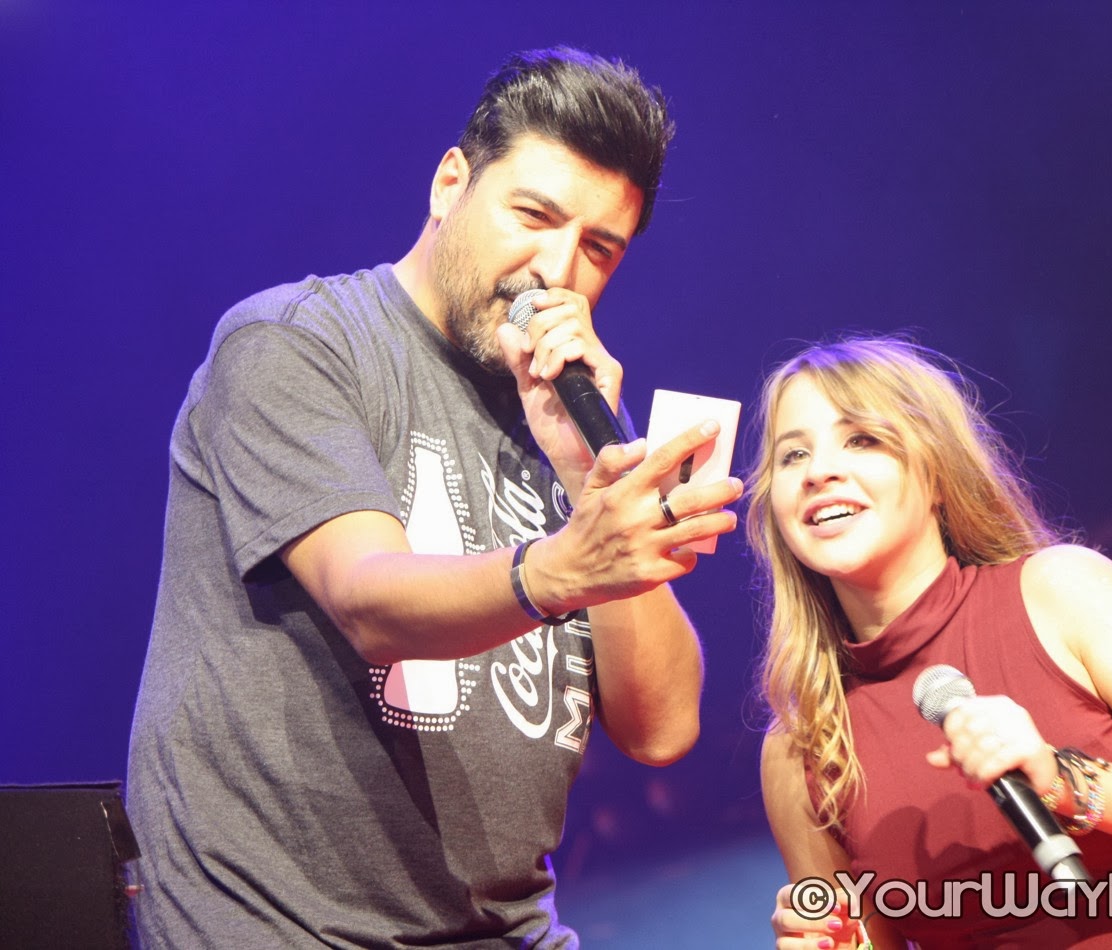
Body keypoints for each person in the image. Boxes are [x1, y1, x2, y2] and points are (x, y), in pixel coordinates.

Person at [125, 47, 741, 947]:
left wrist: (586, 475)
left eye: (597, 248)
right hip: (288, 927)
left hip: (506, 927)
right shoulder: (297, 342)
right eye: (533, 215)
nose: (556, 268)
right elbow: (368, 601)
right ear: (451, 183)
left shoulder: (562, 410)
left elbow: (661, 728)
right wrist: (562, 566)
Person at [750, 336, 1112, 948]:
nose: (818, 472)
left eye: (862, 439)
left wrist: (1059, 780)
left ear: (936, 476)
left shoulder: (1063, 590)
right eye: (792, 455)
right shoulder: (801, 744)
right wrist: (832, 942)